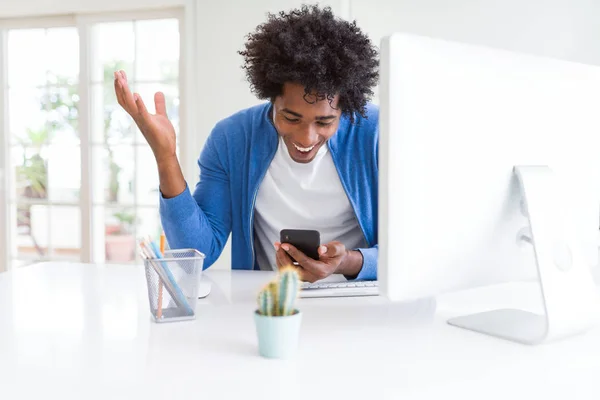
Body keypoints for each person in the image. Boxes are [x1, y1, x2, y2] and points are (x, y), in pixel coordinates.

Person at [114, 5, 379, 282]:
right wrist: (165, 156)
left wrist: (348, 262)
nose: (306, 138)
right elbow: (197, 253)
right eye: (291, 117)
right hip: (268, 303)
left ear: (344, 107)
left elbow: (409, 251)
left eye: (324, 122)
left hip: (361, 303)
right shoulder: (233, 138)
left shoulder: (375, 134)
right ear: (271, 97)